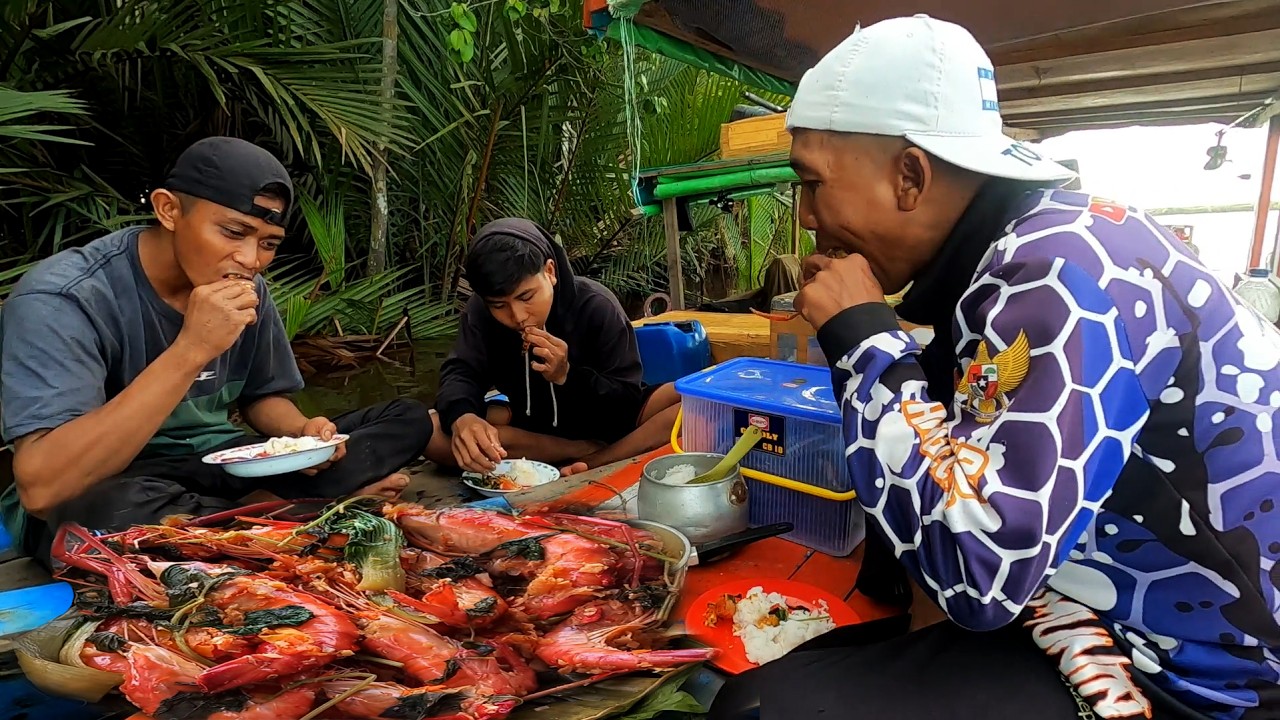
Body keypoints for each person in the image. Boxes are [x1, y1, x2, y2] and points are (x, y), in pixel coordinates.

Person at [711, 15, 1280, 720]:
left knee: (764, 712)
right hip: (1076, 601)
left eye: (812, 184)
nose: (804, 218)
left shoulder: (1060, 271)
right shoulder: (1009, 254)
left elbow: (982, 574)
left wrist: (864, 341)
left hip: (1198, 670)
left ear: (911, 176)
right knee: (767, 689)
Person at [0, 136, 431, 563]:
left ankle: (261, 516)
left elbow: (263, 397)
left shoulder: (246, 286)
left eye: (269, 243)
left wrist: (302, 436)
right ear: (168, 209)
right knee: (108, 509)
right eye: (233, 232)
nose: (251, 259)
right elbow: (43, 488)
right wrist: (192, 348)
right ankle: (302, 513)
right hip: (117, 482)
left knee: (406, 420)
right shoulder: (65, 299)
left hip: (217, 466)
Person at [427, 218, 680, 476]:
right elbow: (461, 371)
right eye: (499, 306)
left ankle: (598, 459)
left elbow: (624, 399)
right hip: (533, 429)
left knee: (696, 400)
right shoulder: (480, 313)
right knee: (431, 428)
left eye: (526, 297)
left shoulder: (596, 305)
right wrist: (463, 417)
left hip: (611, 422)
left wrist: (567, 376)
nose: (517, 316)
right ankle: (576, 451)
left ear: (550, 272)